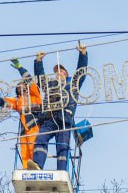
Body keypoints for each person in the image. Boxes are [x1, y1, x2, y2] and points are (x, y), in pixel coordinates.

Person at [31, 41, 89, 171]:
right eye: (56, 72)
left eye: (61, 71)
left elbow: (81, 73)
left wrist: (83, 54)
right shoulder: (51, 85)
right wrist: (38, 61)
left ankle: (61, 171)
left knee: (62, 146)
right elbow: (40, 79)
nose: (58, 73)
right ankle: (37, 165)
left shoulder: (72, 85)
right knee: (41, 137)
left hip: (64, 119)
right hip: (49, 118)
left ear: (66, 74)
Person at [0, 71, 42, 170]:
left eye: (21, 86)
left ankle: (36, 167)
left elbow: (30, 81)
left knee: (33, 148)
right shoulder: (17, 101)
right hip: (24, 129)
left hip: (34, 126)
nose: (20, 88)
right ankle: (26, 169)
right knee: (24, 151)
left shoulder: (35, 96)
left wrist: (20, 69)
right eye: (18, 87)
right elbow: (2, 102)